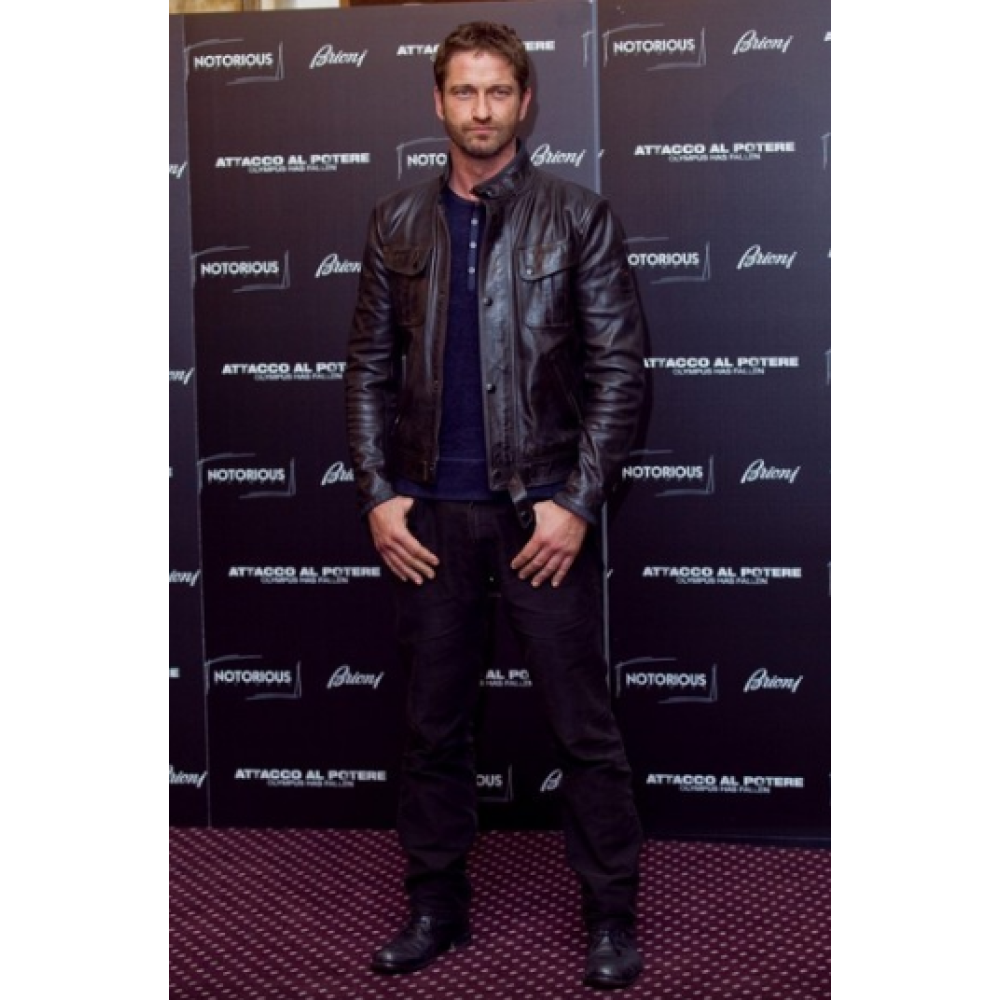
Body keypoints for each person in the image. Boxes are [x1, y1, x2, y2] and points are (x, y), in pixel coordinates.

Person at [345, 20, 647, 992]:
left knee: (582, 730)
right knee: (432, 729)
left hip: (540, 516)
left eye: (498, 91)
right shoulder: (395, 221)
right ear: (437, 102)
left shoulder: (577, 217)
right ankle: (435, 906)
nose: (481, 110)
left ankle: (610, 915)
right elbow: (366, 371)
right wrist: (378, 495)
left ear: (525, 101)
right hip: (430, 521)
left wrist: (577, 503)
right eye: (464, 92)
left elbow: (620, 373)